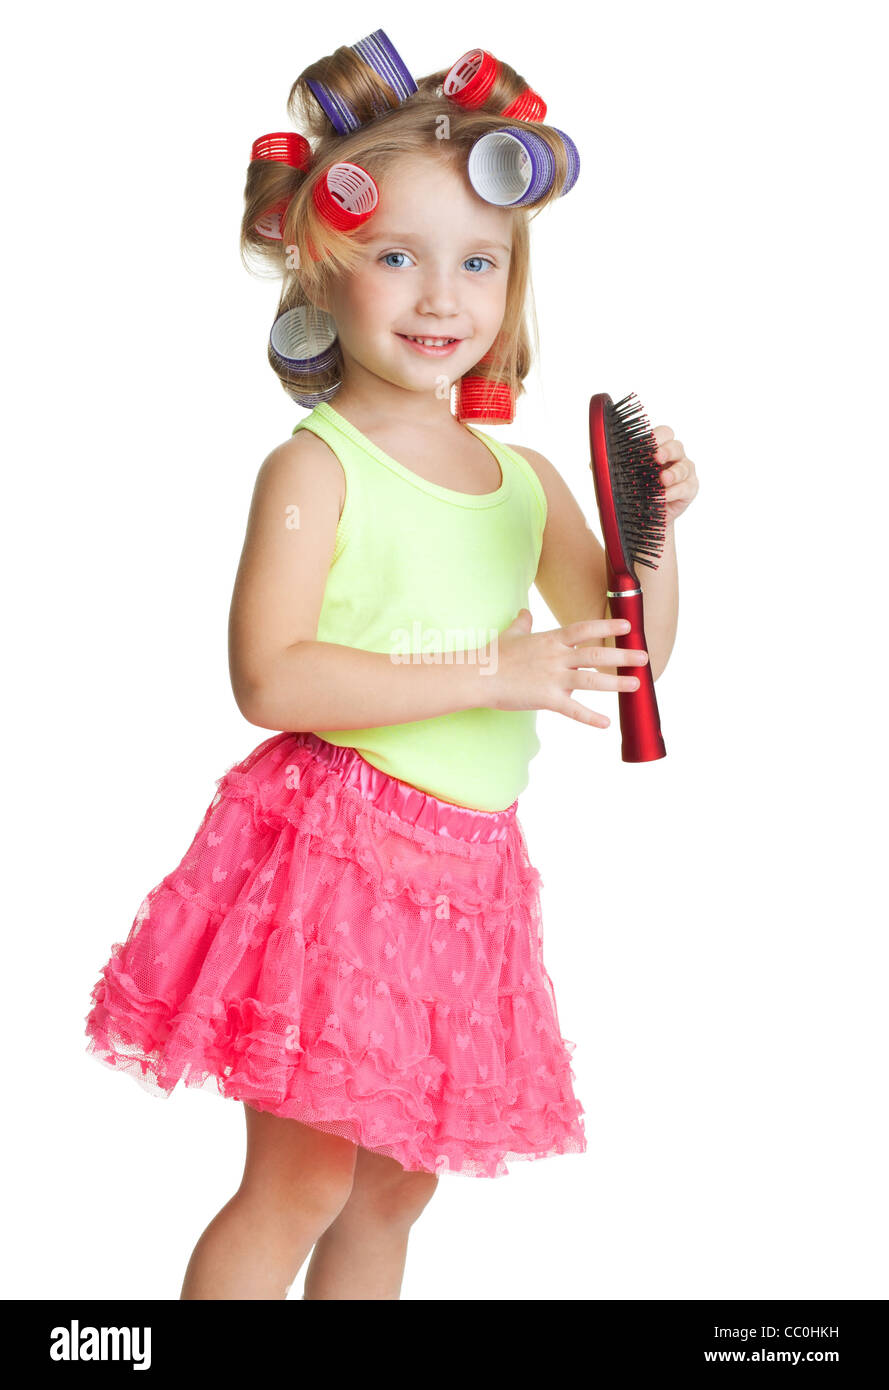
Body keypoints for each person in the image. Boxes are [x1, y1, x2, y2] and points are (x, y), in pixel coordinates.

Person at [83, 31, 698, 1301]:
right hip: (337, 857)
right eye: (397, 257)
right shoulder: (317, 468)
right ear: (324, 265)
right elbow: (274, 679)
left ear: (514, 283)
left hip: (466, 878)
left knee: (395, 1185)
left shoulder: (522, 481)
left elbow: (630, 657)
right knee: (302, 1177)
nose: (440, 297)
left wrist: (655, 531)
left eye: (478, 262)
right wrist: (492, 669)